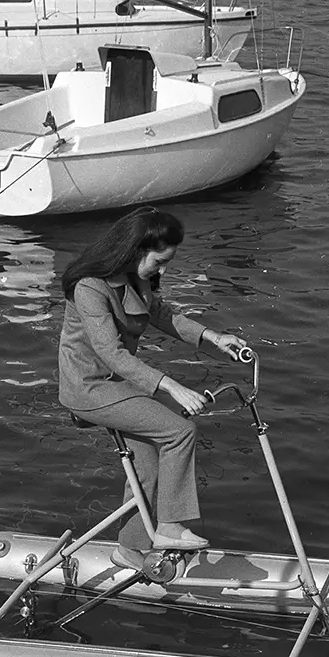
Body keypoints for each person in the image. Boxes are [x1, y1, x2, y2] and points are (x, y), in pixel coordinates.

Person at [58, 207, 248, 570]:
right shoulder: (90, 287)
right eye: (160, 261)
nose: (163, 271)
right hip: (89, 387)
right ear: (135, 249)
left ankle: (129, 550)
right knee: (179, 432)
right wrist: (172, 387)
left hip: (119, 385)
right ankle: (171, 527)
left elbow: (161, 314)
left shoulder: (136, 279)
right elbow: (110, 352)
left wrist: (212, 336)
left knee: (146, 466)